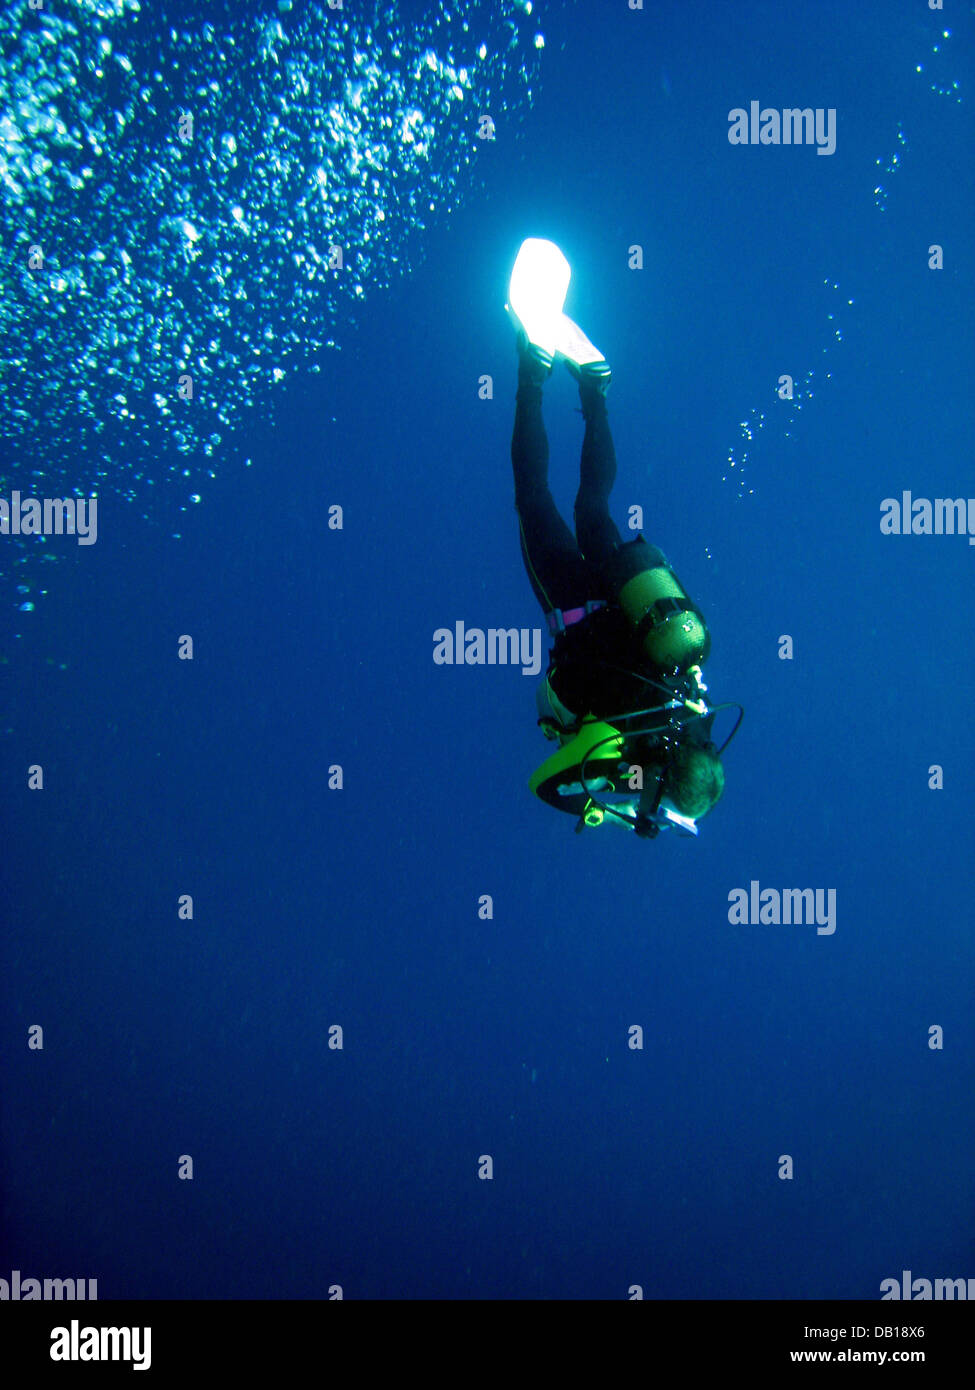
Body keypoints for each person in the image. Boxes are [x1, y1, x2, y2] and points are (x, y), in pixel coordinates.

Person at [506, 239, 739, 838]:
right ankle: (533, 363)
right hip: (576, 604)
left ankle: (594, 386)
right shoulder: (624, 763)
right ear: (666, 787)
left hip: (618, 582)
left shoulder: (691, 714)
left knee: (593, 501)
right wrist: (605, 806)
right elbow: (545, 785)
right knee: (534, 495)